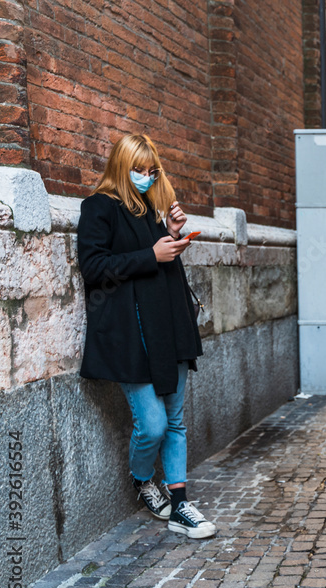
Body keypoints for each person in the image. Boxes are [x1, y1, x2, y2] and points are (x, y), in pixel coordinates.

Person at [77, 134, 216, 539]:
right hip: (131, 333)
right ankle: (142, 479)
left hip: (169, 325)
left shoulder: (147, 210)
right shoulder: (98, 207)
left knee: (174, 421)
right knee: (152, 424)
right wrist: (150, 255)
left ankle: (180, 505)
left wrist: (172, 236)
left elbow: (160, 264)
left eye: (150, 171)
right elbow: (94, 267)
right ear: (121, 166)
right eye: (138, 169)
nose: (145, 176)